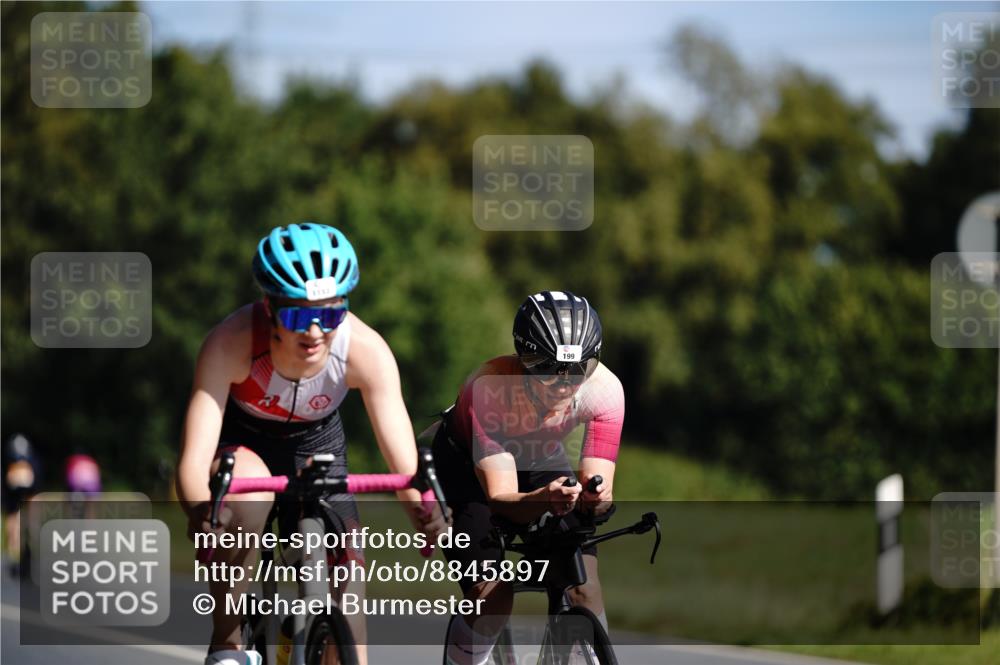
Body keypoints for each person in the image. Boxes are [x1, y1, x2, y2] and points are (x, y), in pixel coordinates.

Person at [176, 223, 445, 665]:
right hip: (246, 445)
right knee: (243, 504)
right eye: (300, 316)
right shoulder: (231, 343)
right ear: (270, 307)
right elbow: (193, 458)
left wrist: (424, 507)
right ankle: (228, 645)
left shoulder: (365, 350)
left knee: (349, 601)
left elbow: (404, 462)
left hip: (318, 443)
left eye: (333, 314)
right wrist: (202, 510)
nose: (317, 331)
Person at [432, 290, 624, 665]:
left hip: (538, 454)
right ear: (524, 359)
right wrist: (544, 498)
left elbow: (597, 485)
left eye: (577, 369)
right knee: (492, 598)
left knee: (584, 586)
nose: (565, 383)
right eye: (549, 369)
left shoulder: (605, 391)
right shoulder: (488, 386)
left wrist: (590, 499)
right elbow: (501, 497)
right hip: (465, 470)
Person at [2, 433, 41, 577]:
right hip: (29, 481)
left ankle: (13, 556)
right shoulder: (31, 457)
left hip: (13, 483)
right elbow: (36, 479)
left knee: (12, 519)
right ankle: (32, 551)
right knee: (31, 518)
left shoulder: (9, 456)